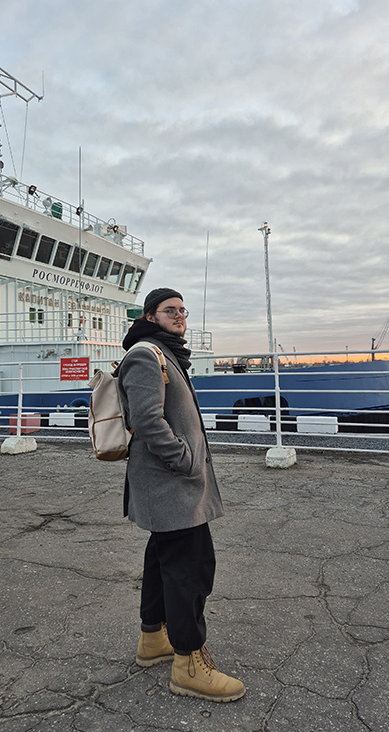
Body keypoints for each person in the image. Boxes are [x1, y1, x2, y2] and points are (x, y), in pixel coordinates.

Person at [118, 287, 246, 703]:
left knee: (163, 561)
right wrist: (186, 460)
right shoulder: (146, 355)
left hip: (170, 485)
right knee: (191, 569)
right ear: (150, 316)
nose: (180, 316)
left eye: (182, 310)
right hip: (170, 484)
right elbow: (147, 420)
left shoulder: (166, 353)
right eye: (169, 310)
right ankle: (189, 665)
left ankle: (153, 640)